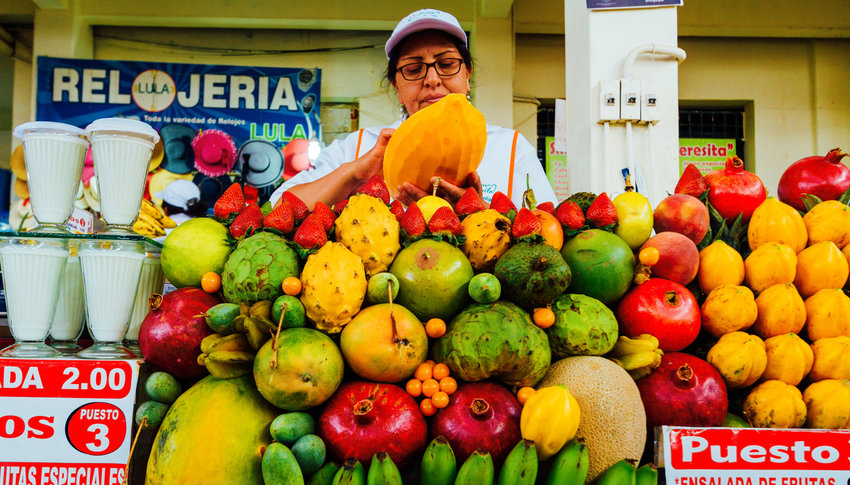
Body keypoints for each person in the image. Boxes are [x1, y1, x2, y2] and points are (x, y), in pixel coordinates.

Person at [269, 8, 556, 209]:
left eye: (446, 64)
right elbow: (278, 209)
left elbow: (549, 233)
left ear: (467, 75)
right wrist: (355, 174)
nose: (432, 80)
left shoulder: (511, 148)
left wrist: (477, 210)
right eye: (413, 69)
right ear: (396, 85)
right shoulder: (359, 148)